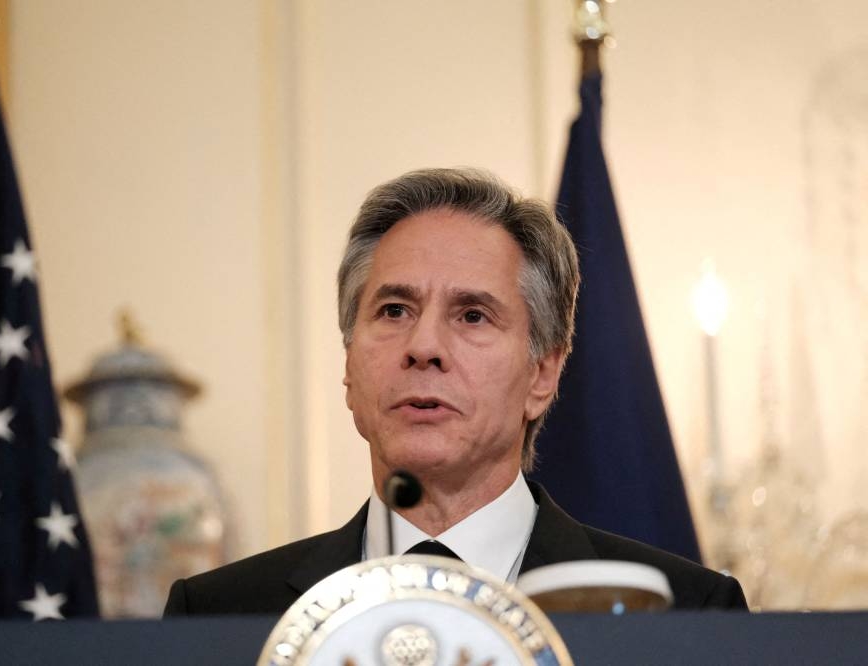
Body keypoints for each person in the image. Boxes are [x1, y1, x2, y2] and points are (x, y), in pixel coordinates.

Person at [164, 167, 747, 615]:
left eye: (472, 316)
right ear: (349, 365)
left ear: (542, 374)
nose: (423, 346)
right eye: (394, 310)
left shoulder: (686, 609)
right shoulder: (222, 613)